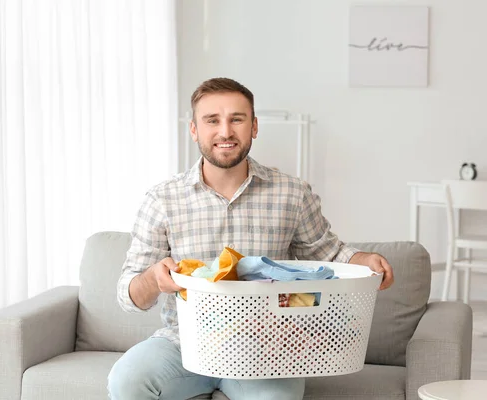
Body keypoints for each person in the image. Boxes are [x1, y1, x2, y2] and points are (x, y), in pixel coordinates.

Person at [108, 77, 394, 400]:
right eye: (212, 120)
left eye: (237, 119)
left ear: (254, 127)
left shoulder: (291, 193)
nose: (225, 131)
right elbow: (127, 294)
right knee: (126, 381)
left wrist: (365, 261)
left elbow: (329, 255)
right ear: (194, 130)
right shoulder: (162, 199)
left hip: (266, 349)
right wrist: (153, 278)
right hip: (184, 343)